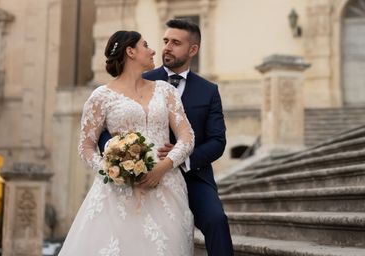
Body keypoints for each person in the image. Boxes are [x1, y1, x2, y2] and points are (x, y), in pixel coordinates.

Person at [99, 19, 234, 256]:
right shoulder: (141, 77)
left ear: (193, 50)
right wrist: (118, 154)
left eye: (176, 43)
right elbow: (103, 128)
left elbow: (217, 141)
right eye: (165, 41)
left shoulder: (208, 90)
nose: (167, 47)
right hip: (138, 172)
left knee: (216, 220)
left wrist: (181, 158)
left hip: (192, 175)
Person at [59, 30, 195, 255]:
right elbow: (86, 147)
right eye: (146, 45)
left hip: (167, 187)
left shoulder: (166, 90)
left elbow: (187, 136)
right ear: (130, 51)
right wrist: (112, 170)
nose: (153, 51)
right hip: (119, 191)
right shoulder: (101, 97)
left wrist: (164, 166)